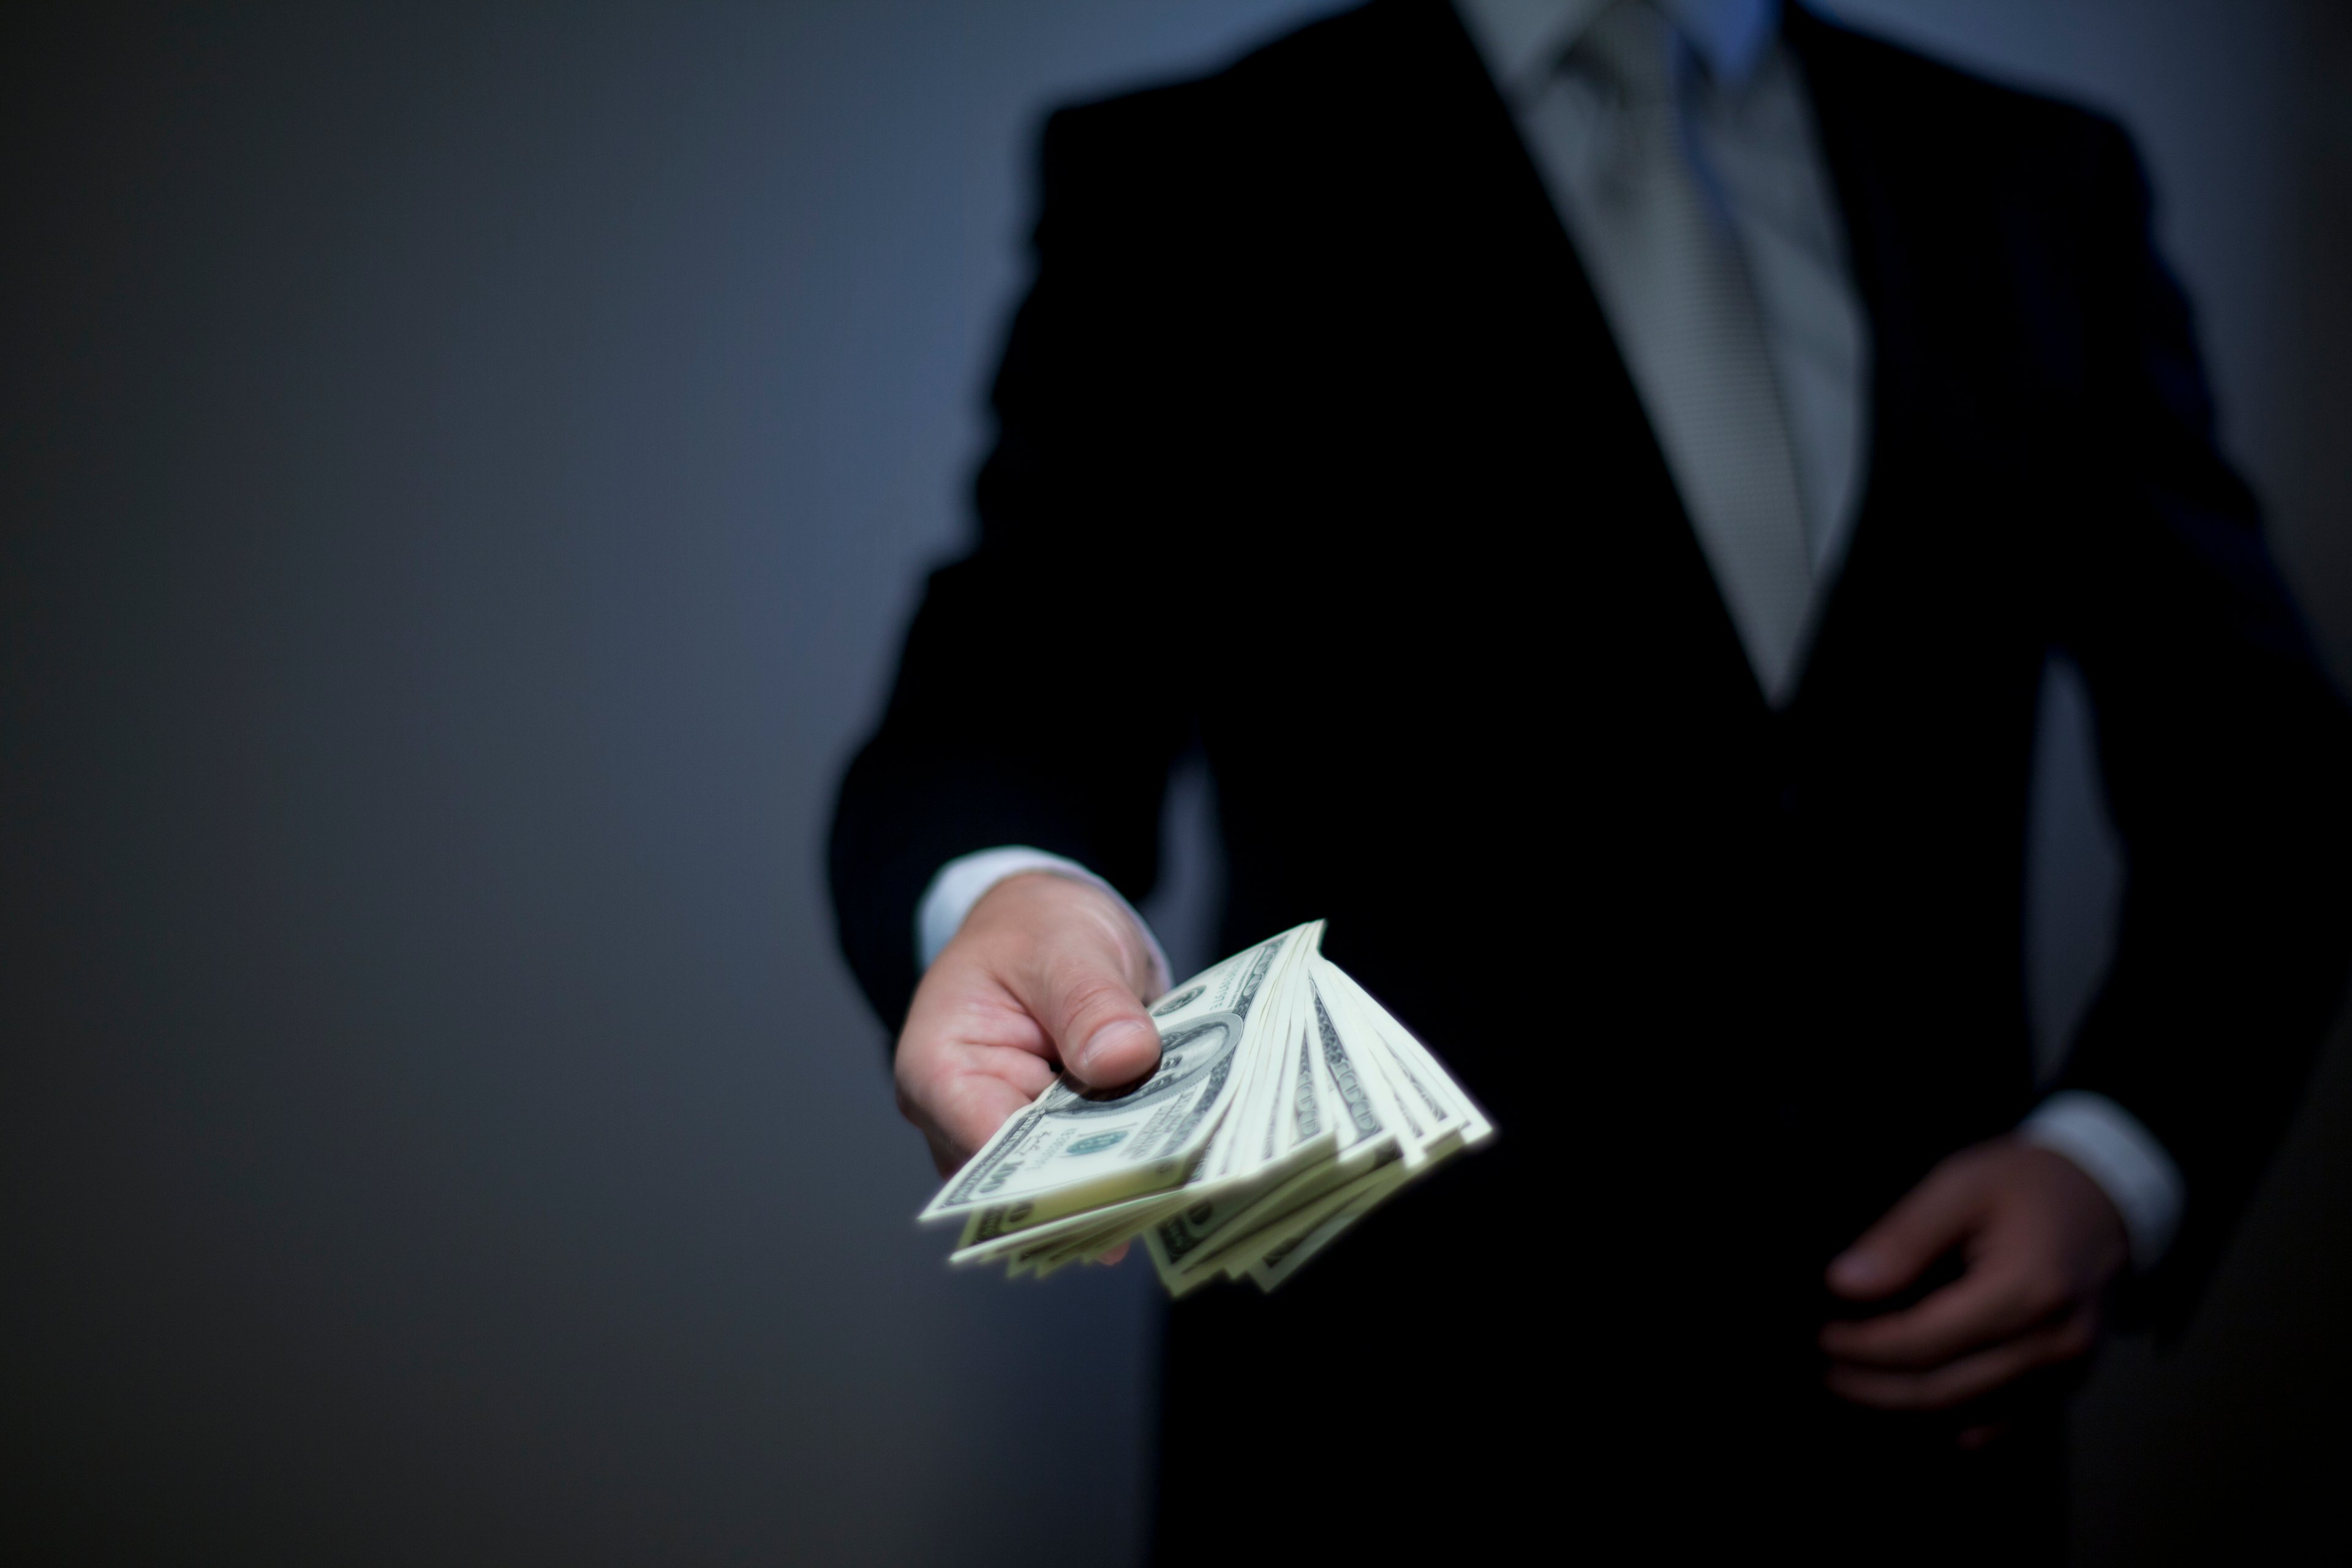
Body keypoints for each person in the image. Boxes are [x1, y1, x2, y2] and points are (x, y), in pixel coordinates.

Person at [830, 0, 2352, 1558]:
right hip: (1376, 1435)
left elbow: (2263, 771)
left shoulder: (2036, 181)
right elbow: (1011, 685)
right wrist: (999, 890)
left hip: (1913, 1427)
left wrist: (2118, 1155)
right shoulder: (1193, 174)